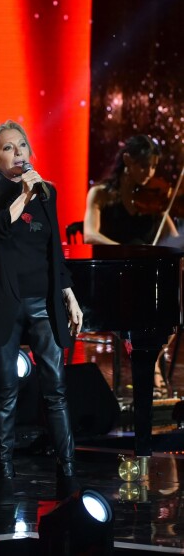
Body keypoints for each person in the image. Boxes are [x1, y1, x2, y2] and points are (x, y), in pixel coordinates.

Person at [0, 120, 83, 503]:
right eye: (9, 148)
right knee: (6, 390)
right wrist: (20, 199)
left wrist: (69, 293)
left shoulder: (47, 192)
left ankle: (68, 470)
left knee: (55, 389)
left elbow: (53, 248)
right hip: (3, 303)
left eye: (23, 146)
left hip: (42, 300)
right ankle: (5, 472)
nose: (19, 154)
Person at [83, 134, 179, 399]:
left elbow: (172, 238)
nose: (149, 173)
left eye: (153, 167)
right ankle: (150, 366)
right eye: (143, 166)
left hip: (145, 282)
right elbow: (90, 235)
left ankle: (150, 360)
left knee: (170, 305)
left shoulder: (153, 199)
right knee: (152, 304)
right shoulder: (101, 194)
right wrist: (130, 251)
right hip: (110, 278)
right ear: (127, 160)